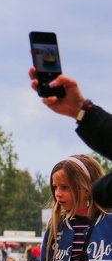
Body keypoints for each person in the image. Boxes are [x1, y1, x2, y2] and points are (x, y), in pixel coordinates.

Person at [29, 69, 112, 209]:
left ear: (86, 189)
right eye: (55, 187)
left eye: (65, 187)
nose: (58, 194)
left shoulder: (107, 223)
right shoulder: (56, 226)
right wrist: (80, 110)